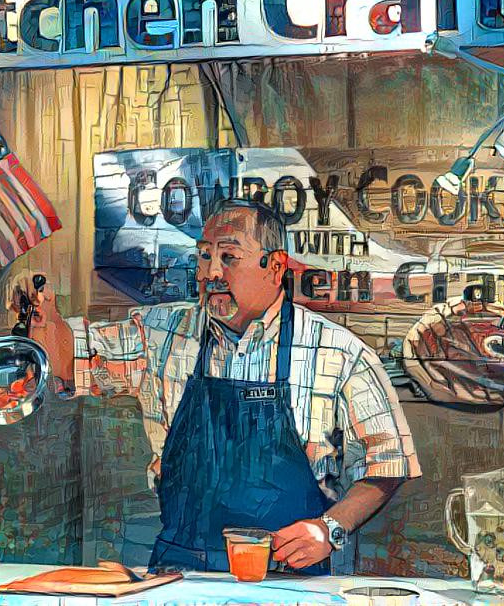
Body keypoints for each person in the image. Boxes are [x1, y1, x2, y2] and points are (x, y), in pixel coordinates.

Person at [21, 199, 421, 574]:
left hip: (292, 578)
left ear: (275, 267)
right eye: (205, 255)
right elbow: (69, 361)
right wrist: (44, 318)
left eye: (229, 257)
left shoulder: (339, 353)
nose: (210, 273)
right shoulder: (160, 334)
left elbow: (388, 464)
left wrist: (328, 529)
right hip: (181, 575)